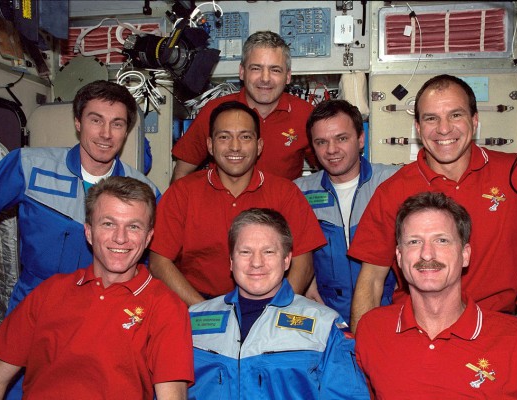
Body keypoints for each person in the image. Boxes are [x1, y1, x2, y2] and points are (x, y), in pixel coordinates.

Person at [348, 74, 517, 332]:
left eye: (455, 115)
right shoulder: (393, 191)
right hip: (421, 332)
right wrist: (360, 356)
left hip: (498, 329)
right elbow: (372, 279)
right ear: (418, 127)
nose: (444, 129)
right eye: (431, 118)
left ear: (475, 120)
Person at [0, 80, 161, 398]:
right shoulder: (29, 166)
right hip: (34, 311)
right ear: (78, 123)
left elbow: (151, 268)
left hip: (106, 318)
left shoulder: (144, 192)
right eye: (95, 120)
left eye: (116, 124)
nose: (105, 134)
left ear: (126, 130)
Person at [0, 176, 193, 400]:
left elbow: (173, 397)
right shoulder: (49, 292)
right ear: (89, 232)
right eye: (108, 224)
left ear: (148, 237)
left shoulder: (166, 307)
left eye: (133, 226)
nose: (120, 238)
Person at [355, 192, 517, 399]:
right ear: (400, 257)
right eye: (414, 241)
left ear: (465, 255)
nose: (427, 253)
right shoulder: (372, 331)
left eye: (441, 240)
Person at [150, 101, 325, 306]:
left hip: (269, 303)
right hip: (195, 305)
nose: (235, 146)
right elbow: (159, 262)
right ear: (210, 145)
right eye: (224, 137)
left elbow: (304, 262)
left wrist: (276, 309)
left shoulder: (285, 193)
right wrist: (204, 312)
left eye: (245, 137)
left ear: (259, 145)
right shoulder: (182, 193)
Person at [188, 208, 370, 400]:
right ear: (231, 261)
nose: (256, 262)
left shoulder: (323, 325)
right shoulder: (192, 319)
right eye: (245, 252)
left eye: (268, 252)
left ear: (286, 260)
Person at [294, 99, 399, 325]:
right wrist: (306, 280)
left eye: (342, 138)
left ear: (361, 139)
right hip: (325, 317)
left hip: (388, 312)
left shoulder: (393, 182)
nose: (331, 150)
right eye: (321, 142)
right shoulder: (298, 193)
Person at [171, 30, 315, 182]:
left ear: (287, 76)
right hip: (225, 205)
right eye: (256, 68)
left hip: (282, 205)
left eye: (275, 70)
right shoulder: (215, 112)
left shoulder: (305, 115)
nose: (265, 78)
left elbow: (330, 171)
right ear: (241, 72)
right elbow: (182, 174)